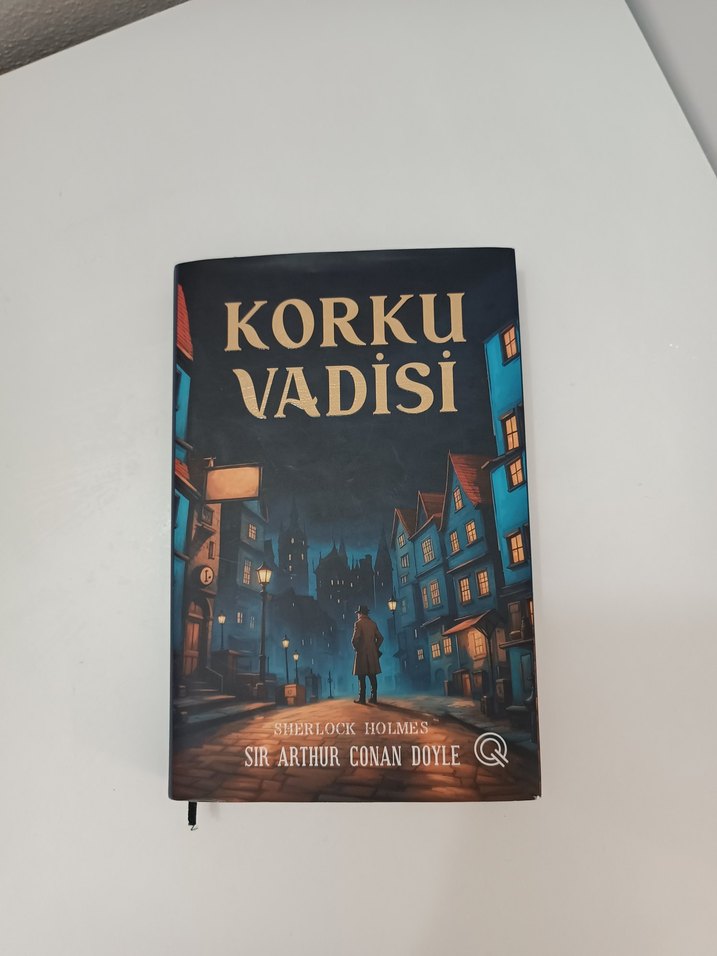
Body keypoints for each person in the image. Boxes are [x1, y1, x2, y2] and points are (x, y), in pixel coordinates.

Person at [351, 604, 384, 704]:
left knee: (361, 677)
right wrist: (375, 648)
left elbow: (354, 640)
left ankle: (362, 699)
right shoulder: (373, 624)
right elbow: (380, 638)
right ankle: (374, 698)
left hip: (362, 654)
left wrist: (357, 649)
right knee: (372, 677)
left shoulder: (358, 624)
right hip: (372, 654)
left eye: (358, 613)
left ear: (360, 613)